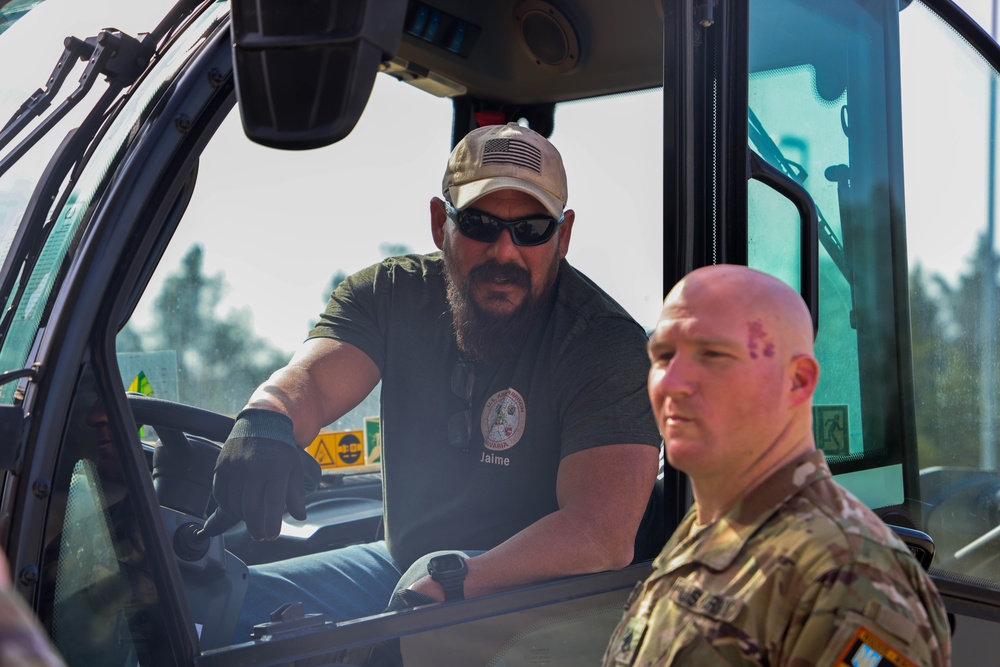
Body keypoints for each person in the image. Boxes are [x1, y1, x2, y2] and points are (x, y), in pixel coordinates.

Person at [203, 122, 662, 640]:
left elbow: (601, 534)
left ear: (565, 235)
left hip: (538, 598)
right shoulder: (389, 294)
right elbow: (313, 383)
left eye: (532, 229)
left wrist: (458, 581)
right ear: (439, 221)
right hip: (401, 569)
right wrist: (266, 418)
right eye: (481, 225)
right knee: (219, 609)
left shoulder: (602, 341)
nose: (505, 253)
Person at [603, 265, 951, 666]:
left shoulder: (852, 576)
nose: (673, 381)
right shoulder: (707, 528)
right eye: (663, 356)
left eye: (713, 354)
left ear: (798, 381)